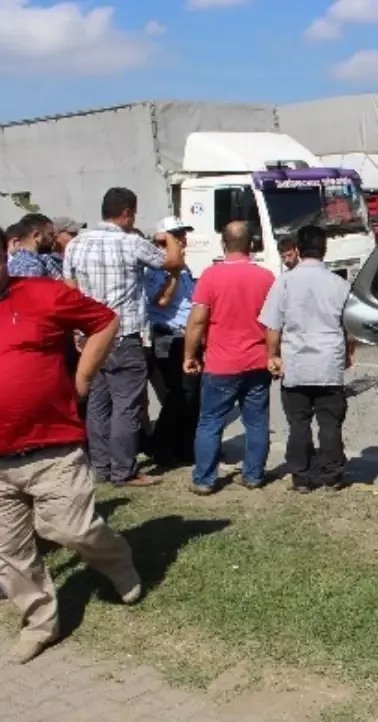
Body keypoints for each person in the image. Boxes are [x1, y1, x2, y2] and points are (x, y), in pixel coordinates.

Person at [0, 220, 142, 664]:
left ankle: (116, 560)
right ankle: (40, 622)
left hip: (52, 447)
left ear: (6, 252)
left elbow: (104, 321)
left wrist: (84, 376)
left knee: (70, 528)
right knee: (6, 554)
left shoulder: (39, 293)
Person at [66, 187, 184, 487]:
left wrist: (77, 331)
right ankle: (123, 470)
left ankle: (101, 466)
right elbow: (172, 263)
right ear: (127, 212)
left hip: (90, 336)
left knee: (98, 404)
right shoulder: (130, 243)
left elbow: (69, 291)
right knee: (127, 405)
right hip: (124, 333)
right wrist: (168, 237)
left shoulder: (76, 244)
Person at [185, 221, 276, 495]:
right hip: (257, 360)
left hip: (221, 362)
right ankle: (253, 475)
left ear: (222, 244)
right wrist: (274, 354)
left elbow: (198, 320)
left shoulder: (210, 276)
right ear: (252, 244)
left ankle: (204, 479)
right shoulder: (266, 277)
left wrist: (189, 354)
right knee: (257, 421)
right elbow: (274, 323)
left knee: (211, 421)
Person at [261, 225, 354, 492]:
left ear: (298, 250)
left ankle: (301, 477)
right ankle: (332, 475)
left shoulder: (284, 282)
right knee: (330, 421)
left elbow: (272, 326)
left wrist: (272, 355)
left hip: (296, 364)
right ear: (324, 250)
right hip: (328, 363)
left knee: (298, 422)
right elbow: (349, 327)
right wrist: (347, 353)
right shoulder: (340, 284)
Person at [145, 216, 200, 466]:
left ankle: (181, 447)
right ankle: (161, 446)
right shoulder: (157, 266)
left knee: (188, 395)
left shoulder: (182, 265)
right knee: (177, 395)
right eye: (176, 235)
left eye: (182, 234)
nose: (182, 239)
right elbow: (161, 301)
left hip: (184, 333)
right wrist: (174, 274)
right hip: (168, 334)